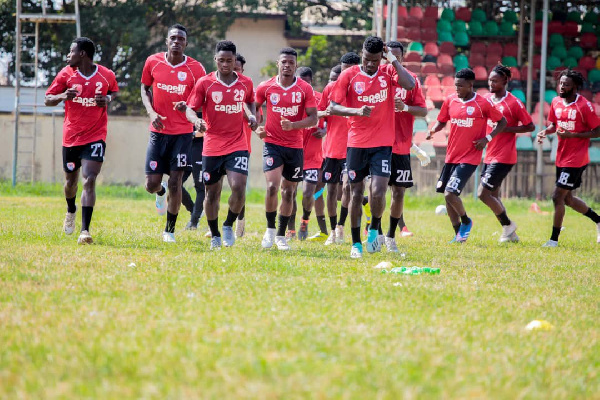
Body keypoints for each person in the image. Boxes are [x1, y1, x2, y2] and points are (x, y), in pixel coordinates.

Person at [330, 36, 416, 258]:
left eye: (375, 60)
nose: (370, 64)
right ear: (362, 53)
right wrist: (356, 111)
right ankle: (356, 243)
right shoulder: (349, 75)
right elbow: (334, 106)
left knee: (378, 191)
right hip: (356, 143)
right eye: (367, 59)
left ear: (382, 57)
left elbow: (410, 84)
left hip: (382, 144)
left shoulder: (388, 72)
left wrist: (393, 61)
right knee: (356, 193)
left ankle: (375, 229)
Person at [178, 40, 257, 249]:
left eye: (229, 60)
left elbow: (250, 101)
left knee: (239, 188)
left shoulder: (245, 82)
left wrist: (252, 115)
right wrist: (196, 121)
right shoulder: (205, 83)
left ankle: (229, 224)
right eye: (221, 60)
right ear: (215, 60)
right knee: (211, 194)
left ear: (234, 60)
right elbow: (189, 108)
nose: (225, 64)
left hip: (237, 143)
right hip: (212, 145)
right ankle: (215, 235)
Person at [45, 37, 118, 245]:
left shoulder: (106, 75)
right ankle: (70, 210)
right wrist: (62, 97)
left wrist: (108, 99)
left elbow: (114, 91)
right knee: (70, 182)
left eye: (71, 51)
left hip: (95, 136)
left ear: (83, 54)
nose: (68, 55)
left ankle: (85, 231)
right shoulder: (66, 74)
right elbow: (47, 99)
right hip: (71, 137)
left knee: (90, 178)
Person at [140, 24, 206, 242]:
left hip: (182, 135)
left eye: (181, 39)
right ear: (167, 41)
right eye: (173, 38)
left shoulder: (196, 69)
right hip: (158, 133)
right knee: (151, 184)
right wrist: (151, 113)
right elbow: (144, 88)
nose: (176, 41)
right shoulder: (153, 62)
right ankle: (160, 193)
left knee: (176, 181)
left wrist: (194, 117)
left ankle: (169, 231)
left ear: (186, 43)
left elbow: (201, 100)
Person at [427, 68, 507, 243]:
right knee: (447, 199)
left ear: (471, 85)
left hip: (469, 157)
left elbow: (502, 121)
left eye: (460, 86)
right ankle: (459, 236)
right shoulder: (450, 100)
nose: (457, 89)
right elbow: (442, 120)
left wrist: (487, 138)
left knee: (450, 194)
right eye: (455, 86)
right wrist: (433, 129)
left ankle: (466, 221)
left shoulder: (482, 104)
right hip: (451, 156)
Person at [255, 47, 318, 250]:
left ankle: (281, 235)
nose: (287, 65)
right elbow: (252, 107)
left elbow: (313, 118)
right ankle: (270, 230)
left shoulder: (304, 89)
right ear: (278, 64)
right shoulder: (266, 87)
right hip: (272, 144)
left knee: (288, 192)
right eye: (284, 62)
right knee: (273, 186)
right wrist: (257, 127)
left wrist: (294, 125)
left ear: (296, 65)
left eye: (291, 62)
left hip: (294, 146)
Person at [537, 69, 600, 247]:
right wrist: (545, 131)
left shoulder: (584, 106)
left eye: (566, 84)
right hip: (561, 156)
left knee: (557, 196)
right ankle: (598, 220)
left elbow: (597, 130)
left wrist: (573, 136)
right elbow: (554, 125)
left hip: (577, 158)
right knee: (568, 199)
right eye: (561, 83)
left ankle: (553, 240)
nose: (562, 87)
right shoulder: (556, 102)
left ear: (575, 86)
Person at [383, 41, 428, 252]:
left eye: (396, 56)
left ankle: (391, 235)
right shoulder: (377, 76)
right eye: (388, 55)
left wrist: (406, 107)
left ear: (402, 58)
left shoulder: (410, 80)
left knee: (398, 192)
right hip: (378, 143)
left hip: (400, 146)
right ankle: (373, 230)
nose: (392, 59)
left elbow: (423, 111)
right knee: (375, 190)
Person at [481, 65, 534, 242]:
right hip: (489, 154)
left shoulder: (513, 103)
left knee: (483, 194)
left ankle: (508, 224)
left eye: (495, 80)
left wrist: (506, 128)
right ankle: (509, 233)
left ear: (505, 81)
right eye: (489, 80)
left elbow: (530, 126)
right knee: (493, 195)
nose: (491, 83)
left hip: (504, 156)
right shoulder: (486, 100)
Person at [319, 55, 360, 246]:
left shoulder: (363, 91)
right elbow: (318, 114)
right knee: (331, 191)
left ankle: (341, 227)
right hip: (332, 149)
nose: (347, 73)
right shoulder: (330, 89)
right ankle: (333, 230)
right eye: (344, 69)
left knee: (347, 187)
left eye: (350, 69)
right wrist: (323, 118)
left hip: (353, 148)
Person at [294, 66, 328, 241]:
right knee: (289, 193)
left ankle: (305, 221)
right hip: (292, 154)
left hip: (313, 157)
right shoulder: (291, 98)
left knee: (309, 193)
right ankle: (290, 228)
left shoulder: (320, 99)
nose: (304, 86)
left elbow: (330, 120)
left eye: (307, 82)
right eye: (301, 82)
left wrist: (325, 131)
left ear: (311, 82)